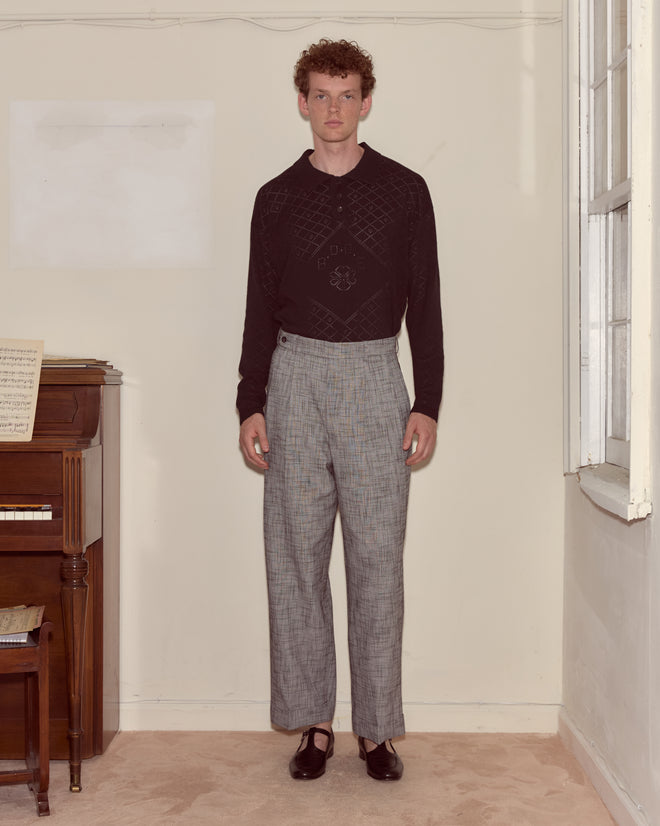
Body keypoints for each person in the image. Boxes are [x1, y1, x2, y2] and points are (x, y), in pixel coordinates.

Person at [237, 38, 443, 781]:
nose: (332, 107)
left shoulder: (406, 190)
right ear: (302, 102)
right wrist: (249, 401)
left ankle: (376, 730)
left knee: (377, 561)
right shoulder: (276, 198)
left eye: (345, 93)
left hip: (373, 377)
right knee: (294, 559)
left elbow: (428, 303)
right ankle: (316, 725)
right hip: (293, 378)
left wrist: (428, 403)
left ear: (365, 101)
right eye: (320, 94)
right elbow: (259, 306)